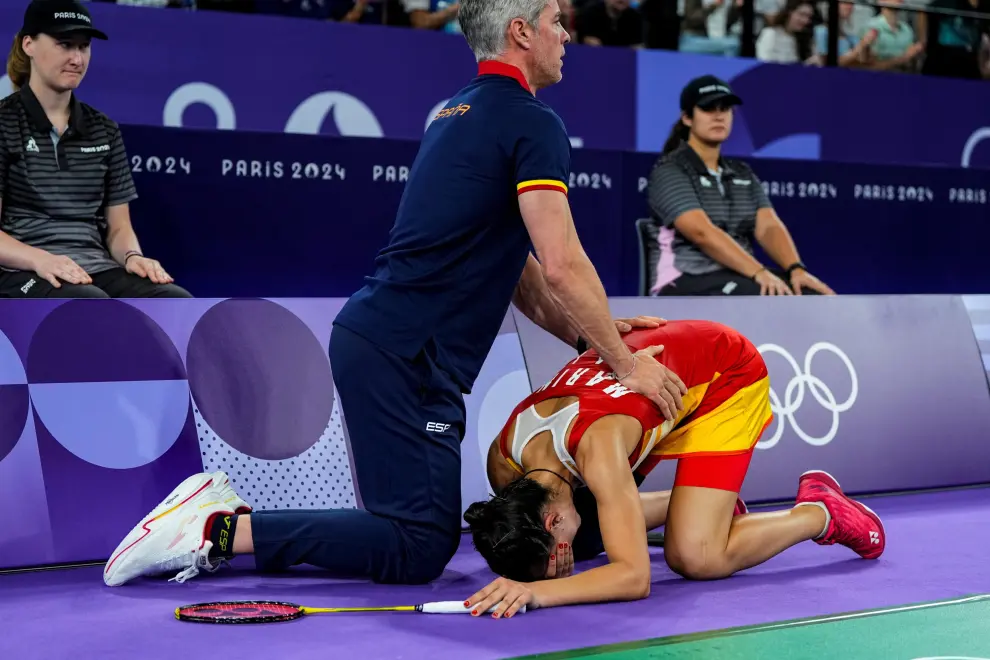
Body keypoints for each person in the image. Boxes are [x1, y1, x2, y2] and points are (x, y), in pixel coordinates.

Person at [102, 0, 686, 588]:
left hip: (381, 343)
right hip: (409, 358)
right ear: (521, 32)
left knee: (406, 530)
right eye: (556, 21)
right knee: (418, 547)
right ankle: (219, 530)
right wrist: (623, 362)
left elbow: (522, 273)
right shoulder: (533, 122)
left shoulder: (456, 113)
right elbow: (563, 264)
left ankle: (221, 522)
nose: (567, 34)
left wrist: (591, 339)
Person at [462, 319, 885, 618]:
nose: (562, 562)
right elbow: (563, 527)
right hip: (649, 374)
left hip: (722, 373)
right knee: (590, 534)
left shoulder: (600, 449)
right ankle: (701, 510)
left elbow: (634, 579)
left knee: (696, 557)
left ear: (551, 518)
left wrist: (536, 592)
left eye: (558, 553)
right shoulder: (505, 463)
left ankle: (819, 512)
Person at [0, 0, 190, 299]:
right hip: (20, 269)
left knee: (173, 300)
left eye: (84, 46)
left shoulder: (104, 129)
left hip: (93, 267)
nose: (77, 58)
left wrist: (132, 257)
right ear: (29, 45)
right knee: (89, 303)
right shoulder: (3, 122)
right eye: (64, 44)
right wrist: (41, 259)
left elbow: (118, 228)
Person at [648, 75, 834, 298]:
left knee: (815, 296)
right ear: (687, 118)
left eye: (725, 108)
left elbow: (768, 227)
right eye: (708, 108)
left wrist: (796, 269)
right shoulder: (669, 170)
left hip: (738, 275)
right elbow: (701, 233)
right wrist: (758, 271)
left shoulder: (742, 173)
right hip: (682, 280)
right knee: (768, 295)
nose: (718, 115)